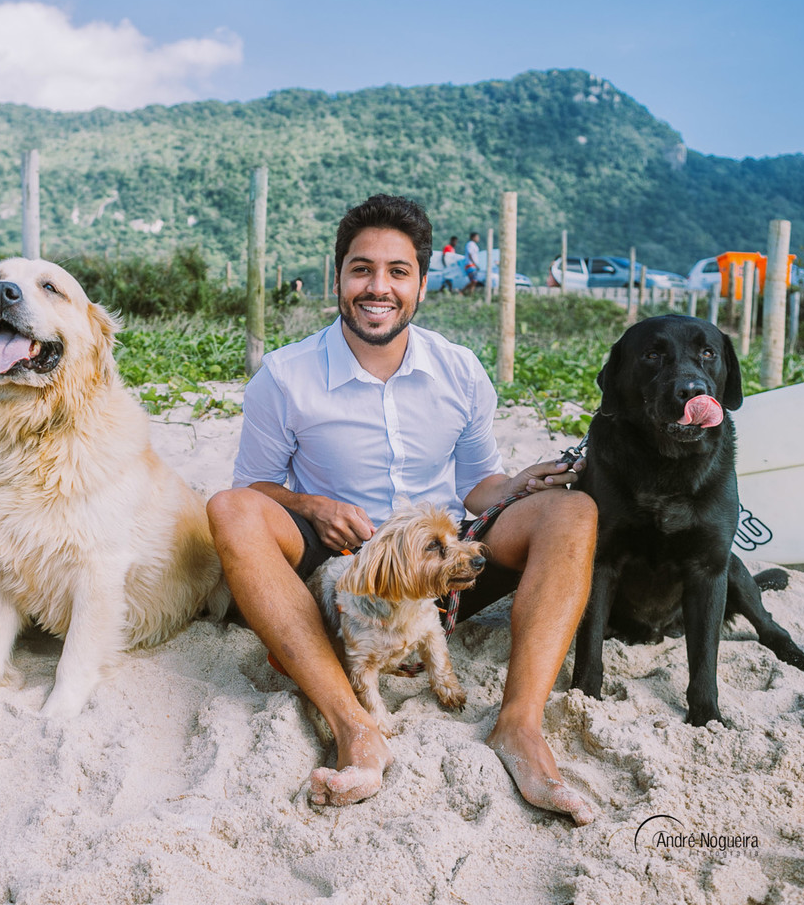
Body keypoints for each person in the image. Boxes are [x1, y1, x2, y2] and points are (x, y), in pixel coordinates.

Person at [206, 194, 599, 823]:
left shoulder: (461, 371)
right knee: (229, 509)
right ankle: (353, 724)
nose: (377, 287)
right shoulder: (285, 376)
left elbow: (479, 487)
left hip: (445, 558)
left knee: (572, 512)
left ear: (420, 283)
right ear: (338, 277)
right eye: (361, 269)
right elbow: (254, 487)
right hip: (342, 567)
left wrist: (522, 483)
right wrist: (309, 502)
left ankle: (520, 726)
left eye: (397, 271)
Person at [463, 231, 482, 296]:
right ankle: (462, 291)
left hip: (473, 265)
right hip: (470, 265)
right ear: (473, 237)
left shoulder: (473, 244)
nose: (478, 238)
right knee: (474, 281)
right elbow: (470, 254)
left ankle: (470, 294)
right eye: (477, 237)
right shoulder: (470, 244)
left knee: (473, 282)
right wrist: (475, 264)